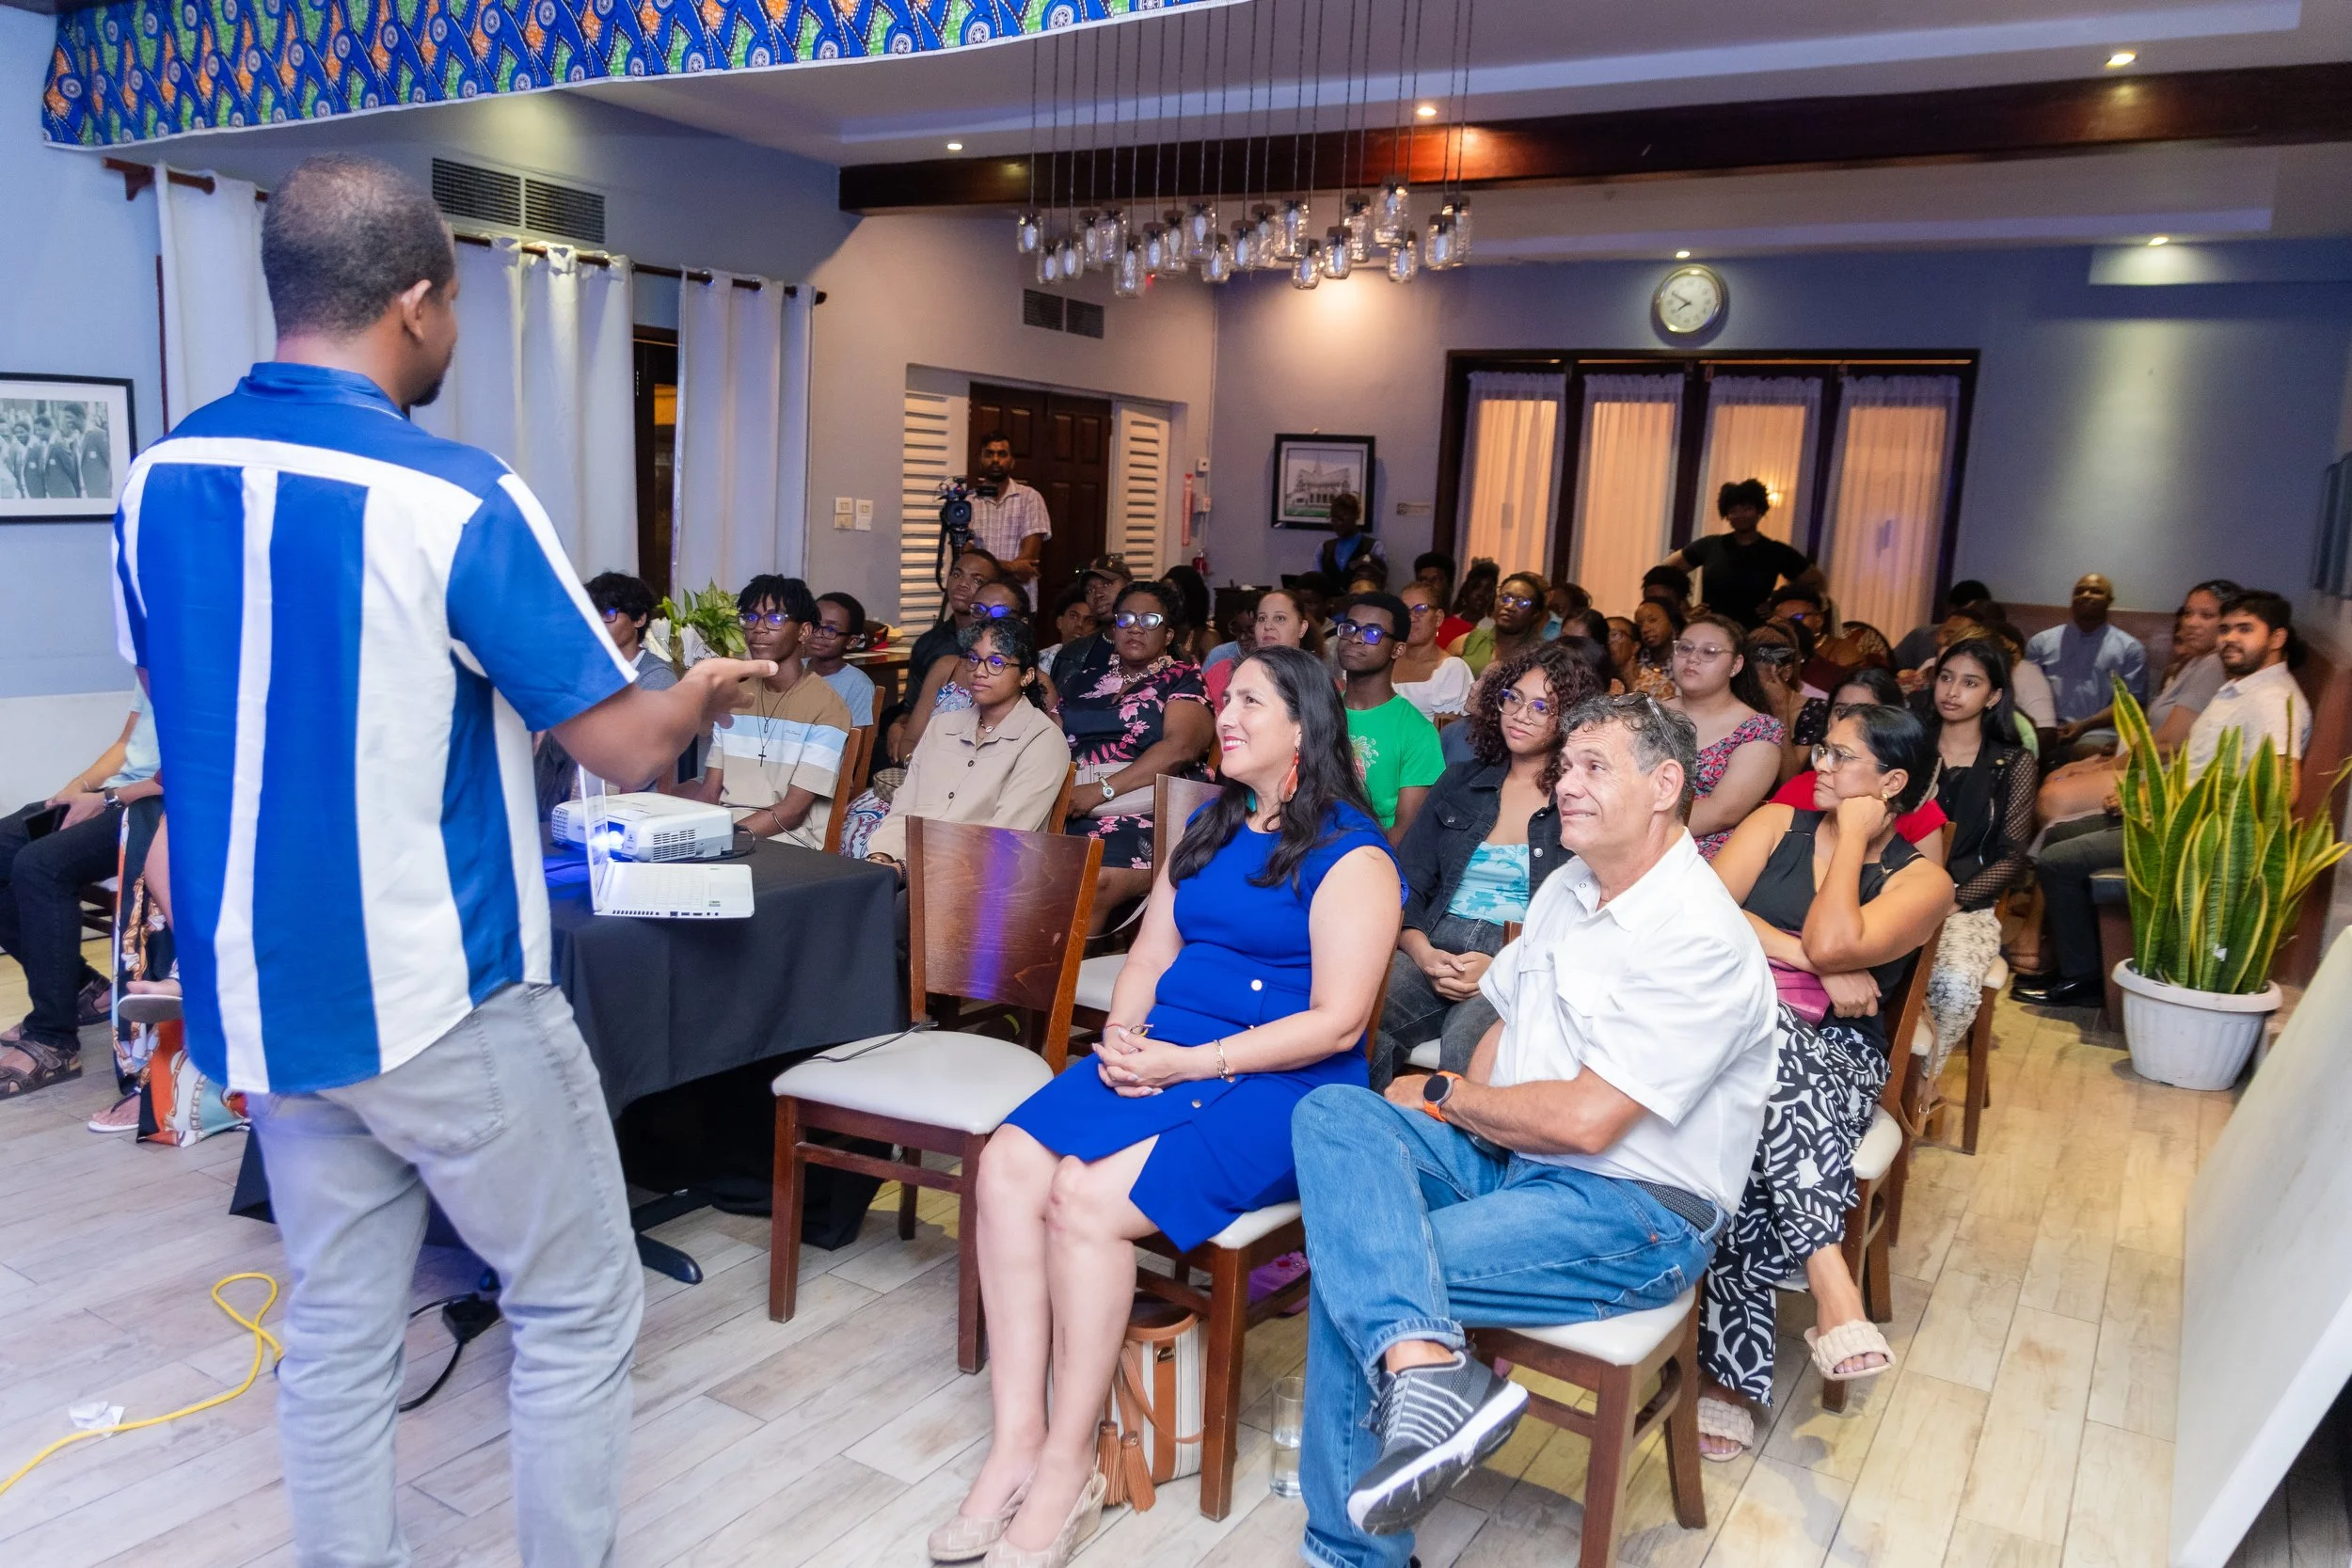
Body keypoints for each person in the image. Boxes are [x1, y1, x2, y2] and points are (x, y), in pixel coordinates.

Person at [110, 153, 772, 1568]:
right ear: (416, 301)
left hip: (271, 1005)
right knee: (581, 1301)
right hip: (443, 993)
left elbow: (195, 734)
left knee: (342, 1323)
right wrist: (701, 694)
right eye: (456, 306)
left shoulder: (156, 480)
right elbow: (624, 748)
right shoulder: (454, 493)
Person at [935, 645, 1400, 1567]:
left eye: (1249, 703)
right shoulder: (1212, 824)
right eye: (1226, 702)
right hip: (1168, 1049)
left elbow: (1339, 1019)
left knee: (1086, 1201)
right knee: (1006, 1164)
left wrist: (1191, 1059)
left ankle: (1069, 1470)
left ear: (1304, 726)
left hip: (1281, 1080)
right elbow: (1149, 955)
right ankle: (1015, 1440)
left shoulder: (1354, 852)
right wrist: (1125, 1037)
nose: (1224, 716)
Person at [1291, 692, 1776, 1560]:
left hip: (1634, 1211)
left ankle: (1351, 1550)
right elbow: (1493, 1023)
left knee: (1364, 1261)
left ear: (1666, 784)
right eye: (1566, 766)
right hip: (1515, 1159)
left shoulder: (1699, 933)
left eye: (1595, 767)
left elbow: (1590, 1122)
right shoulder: (1566, 888)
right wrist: (1472, 1104)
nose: (1567, 784)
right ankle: (1432, 1373)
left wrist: (1444, 1097)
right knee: (1333, 1111)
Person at [1696, 705, 1953, 1458]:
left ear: (1893, 782)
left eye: (1842, 759)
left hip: (1837, 1059)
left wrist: (1850, 847)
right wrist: (1814, 963)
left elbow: (1837, 931)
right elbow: (1702, 910)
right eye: (1822, 752)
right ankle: (1828, 1276)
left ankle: (1731, 1378)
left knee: (1751, 1111)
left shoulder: (1924, 879)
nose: (1820, 768)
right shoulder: (1777, 824)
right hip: (1729, 1033)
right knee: (1761, 1042)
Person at [2019, 590, 2308, 1008]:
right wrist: (2149, 795)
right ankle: (2075, 964)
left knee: (2058, 860)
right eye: (2225, 629)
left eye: (2245, 630)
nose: (2230, 639)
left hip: (2192, 834)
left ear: (2277, 638)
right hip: (2166, 813)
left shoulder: (2272, 700)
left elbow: (2282, 790)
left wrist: (2169, 807)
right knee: (2059, 834)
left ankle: (2083, 980)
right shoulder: (2239, 689)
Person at [1375, 643, 1597, 1088]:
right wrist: (1422, 951)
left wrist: (1501, 966)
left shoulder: (1579, 801)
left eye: (1542, 707)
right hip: (1432, 943)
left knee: (1470, 1049)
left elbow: (1583, 916)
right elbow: (1409, 884)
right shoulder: (1460, 780)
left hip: (1520, 957)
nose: (1520, 714)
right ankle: (1364, 1141)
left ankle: (1447, 1157)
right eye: (1512, 698)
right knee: (1362, 1017)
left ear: (1570, 719)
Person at [0, 696, 164, 1093]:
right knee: (4, 845)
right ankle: (84, 992)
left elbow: (186, 771)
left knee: (41, 864)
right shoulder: (149, 660)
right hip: (116, 795)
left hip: (159, 805)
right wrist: (75, 792)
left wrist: (105, 800)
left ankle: (53, 1040)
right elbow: (127, 743)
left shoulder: (204, 660)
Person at [862, 617, 1072, 875]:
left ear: (1026, 676)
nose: (979, 671)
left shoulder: (1042, 739)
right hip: (907, 868)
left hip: (979, 880)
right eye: (973, 659)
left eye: (996, 662)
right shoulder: (942, 727)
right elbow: (904, 808)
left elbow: (1004, 835)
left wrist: (905, 869)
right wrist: (881, 858)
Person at [1060, 579, 1215, 927]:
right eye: (1126, 619)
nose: (1136, 629)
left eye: (1150, 621)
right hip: (1068, 802)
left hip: (1145, 808)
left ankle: (1066, 979)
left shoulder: (1183, 678)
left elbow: (1181, 747)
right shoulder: (1082, 680)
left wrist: (1101, 790)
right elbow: (1047, 738)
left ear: (1169, 634)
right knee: (1020, 870)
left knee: (1091, 881)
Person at [1916, 638, 2036, 1069]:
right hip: (1893, 890)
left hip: (1965, 905)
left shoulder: (2012, 763)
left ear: (1994, 695)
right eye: (1946, 678)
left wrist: (1954, 899)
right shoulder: (1912, 748)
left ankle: (1922, 1085)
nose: (1952, 692)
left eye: (1970, 683)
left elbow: (2012, 855)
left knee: (1953, 980)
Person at [2035, 578, 2235, 830]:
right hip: (2142, 761)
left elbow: (2167, 746)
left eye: (2206, 615)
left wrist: (2105, 767)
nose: (2191, 623)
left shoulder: (2214, 665)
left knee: (2052, 797)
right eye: (2188, 613)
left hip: (2167, 775)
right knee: (2057, 776)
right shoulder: (2196, 662)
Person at [691, 575, 854, 848]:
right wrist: (686, 832)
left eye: (775, 619)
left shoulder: (829, 708)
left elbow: (793, 811)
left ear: (803, 632)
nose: (758, 629)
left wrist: (725, 838)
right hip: (726, 831)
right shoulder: (734, 694)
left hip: (787, 841)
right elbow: (710, 790)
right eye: (751, 618)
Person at [1772, 668, 1950, 862]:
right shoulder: (1800, 788)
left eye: (1866, 711)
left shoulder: (1915, 810)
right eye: (1840, 711)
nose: (1847, 721)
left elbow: (1926, 884)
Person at [1667, 611, 1786, 858]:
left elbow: (1723, 812)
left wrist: (1636, 827)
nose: (1692, 659)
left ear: (1736, 665)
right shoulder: (1647, 713)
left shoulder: (1758, 730)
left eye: (1709, 652)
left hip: (1702, 855)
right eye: (1685, 648)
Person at [1335, 594, 1446, 843]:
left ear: (1398, 649)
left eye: (1372, 633)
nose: (1355, 639)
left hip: (1370, 858)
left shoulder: (1418, 732)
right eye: (1349, 628)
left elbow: (1406, 831)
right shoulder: (1319, 711)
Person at [1657, 479, 1824, 628]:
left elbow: (1816, 581)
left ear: (1759, 511)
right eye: (1734, 510)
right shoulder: (1710, 545)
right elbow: (1664, 573)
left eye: (1747, 509)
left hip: (1755, 631)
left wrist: (1776, 603)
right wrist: (1685, 609)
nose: (1740, 515)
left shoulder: (1775, 551)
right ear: (1727, 515)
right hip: (1712, 628)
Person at [898, 577, 1025, 762]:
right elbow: (910, 740)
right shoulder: (946, 667)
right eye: (979, 610)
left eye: (1000, 612)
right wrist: (917, 768)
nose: (987, 619)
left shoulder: (1032, 678)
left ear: (1023, 621)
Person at [2025, 573, 2148, 750]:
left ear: (2109, 600)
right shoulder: (2041, 643)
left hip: (2099, 734)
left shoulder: (2130, 649)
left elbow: (2132, 704)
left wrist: (2084, 725)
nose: (2086, 595)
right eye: (2079, 591)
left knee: (2086, 750)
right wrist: (2046, 727)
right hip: (2045, 730)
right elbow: (2027, 694)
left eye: (2096, 591)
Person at [968, 430, 1052, 607]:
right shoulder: (968, 502)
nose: (996, 460)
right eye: (989, 454)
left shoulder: (1030, 498)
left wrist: (986, 568)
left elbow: (1025, 569)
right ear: (980, 460)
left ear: (1012, 462)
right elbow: (968, 562)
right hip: (977, 602)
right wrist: (1012, 567)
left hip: (1018, 602)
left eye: (1002, 454)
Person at [1210, 586, 1318, 712]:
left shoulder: (1317, 680)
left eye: (1279, 618)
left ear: (1302, 628)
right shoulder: (1221, 671)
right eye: (1262, 618)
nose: (1267, 626)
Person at [1046, 554, 1133, 695]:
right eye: (1090, 590)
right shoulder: (1071, 654)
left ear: (1129, 587)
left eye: (1106, 584)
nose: (1098, 595)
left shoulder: (1155, 644)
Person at [1391, 581, 1475, 722]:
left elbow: (1444, 739)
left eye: (1420, 609)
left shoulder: (1451, 669)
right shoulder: (1386, 660)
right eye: (1405, 611)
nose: (1411, 618)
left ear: (1438, 618)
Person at [1450, 571, 1547, 676]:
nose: (1509, 606)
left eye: (1522, 603)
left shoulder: (1542, 655)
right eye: (1505, 598)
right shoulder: (1466, 642)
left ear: (1535, 614)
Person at [1893, 578, 1994, 673]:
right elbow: (1890, 666)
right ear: (1951, 608)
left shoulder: (1987, 648)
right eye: (1949, 634)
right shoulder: (1922, 635)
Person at [806, 592, 876, 727]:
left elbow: (857, 741)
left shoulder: (858, 685)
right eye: (815, 623)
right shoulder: (793, 670)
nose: (818, 634)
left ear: (851, 641)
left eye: (830, 629)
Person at [1316, 491, 1386, 584]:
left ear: (1356, 515)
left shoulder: (1374, 547)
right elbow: (1314, 583)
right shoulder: (1323, 548)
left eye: (1342, 519)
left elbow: (1379, 583)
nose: (1337, 524)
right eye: (1333, 520)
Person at [1413, 551, 1475, 647]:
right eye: (1422, 580)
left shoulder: (1466, 632)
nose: (1428, 585)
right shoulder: (1408, 626)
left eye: (1436, 579)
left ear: (1450, 586)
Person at [1624, 598, 1681, 699]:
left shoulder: (1686, 656)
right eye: (1640, 624)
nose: (1645, 629)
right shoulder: (1635, 661)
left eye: (1653, 620)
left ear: (1671, 623)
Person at [1042, 582, 1098, 667]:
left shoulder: (1100, 665)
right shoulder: (1040, 661)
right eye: (1073, 616)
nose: (1079, 624)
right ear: (1059, 622)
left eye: (1089, 621)